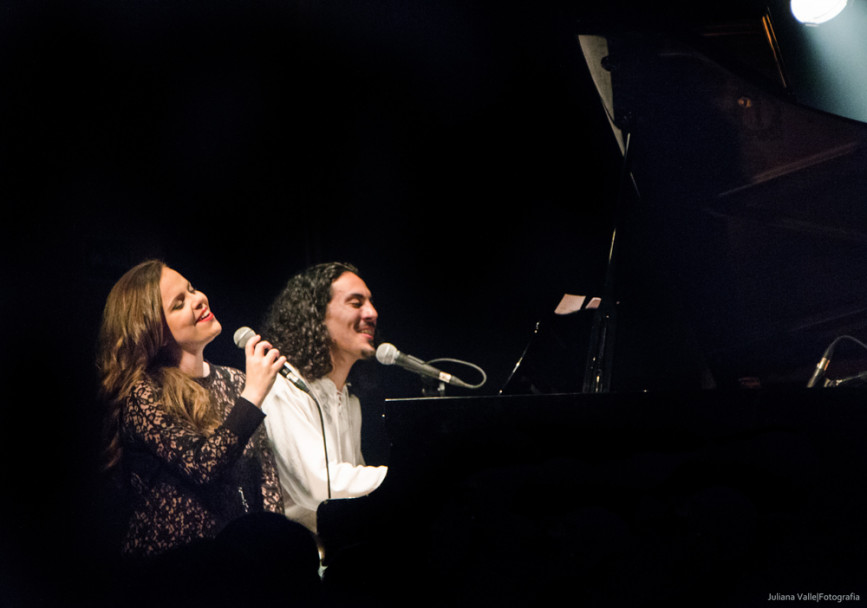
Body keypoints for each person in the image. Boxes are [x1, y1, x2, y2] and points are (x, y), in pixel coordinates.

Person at [96, 259, 290, 557]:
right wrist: (252, 396)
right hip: (174, 572)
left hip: (238, 562)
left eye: (192, 289)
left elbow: (264, 476)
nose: (199, 299)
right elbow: (202, 466)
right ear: (156, 333)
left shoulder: (236, 381)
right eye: (179, 303)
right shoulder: (143, 394)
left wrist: (276, 546)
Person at [260, 262, 388, 535]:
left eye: (371, 303)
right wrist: (401, 478)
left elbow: (354, 488)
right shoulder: (283, 388)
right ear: (316, 317)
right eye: (356, 303)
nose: (372, 313)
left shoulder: (349, 399)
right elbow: (319, 487)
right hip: (295, 562)